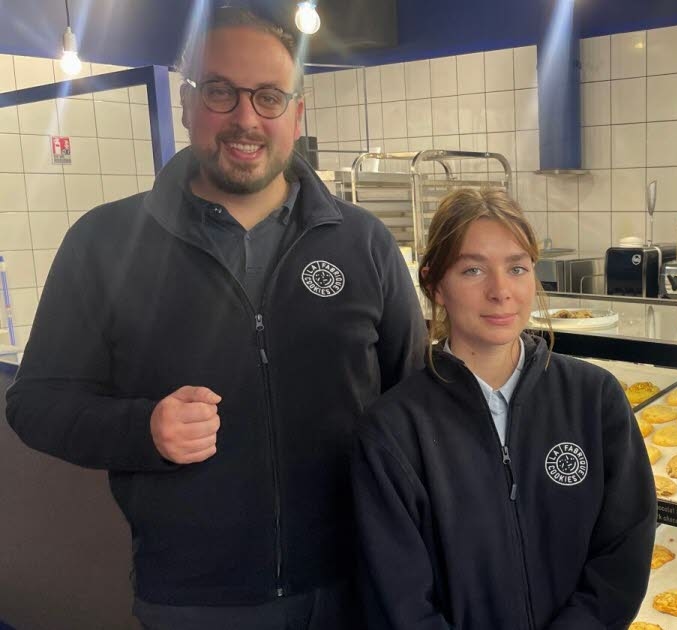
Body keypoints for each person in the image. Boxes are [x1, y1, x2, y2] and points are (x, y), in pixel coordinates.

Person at [5, 7, 425, 628]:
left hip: (355, 584)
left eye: (269, 96)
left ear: (297, 114)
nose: (246, 119)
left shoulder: (364, 243)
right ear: (186, 103)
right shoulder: (104, 243)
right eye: (221, 91)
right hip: (195, 598)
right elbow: (35, 404)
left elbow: (412, 400)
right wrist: (143, 429)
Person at [353, 188, 656, 629]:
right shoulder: (394, 432)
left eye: (516, 268)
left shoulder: (594, 399)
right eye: (473, 270)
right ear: (435, 284)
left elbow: (623, 552)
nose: (501, 292)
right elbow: (399, 597)